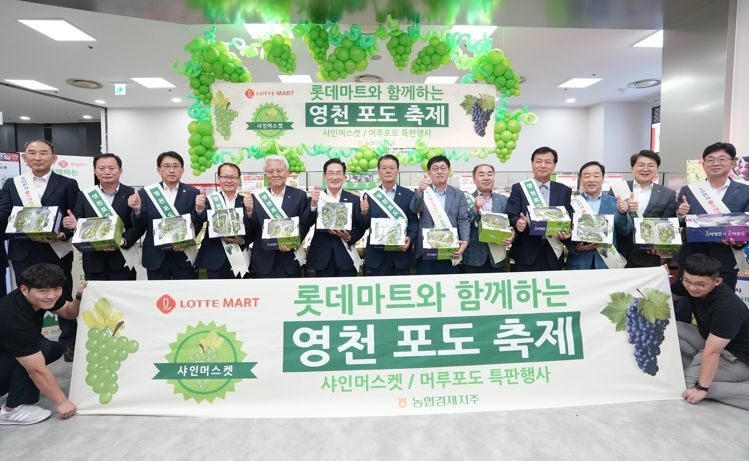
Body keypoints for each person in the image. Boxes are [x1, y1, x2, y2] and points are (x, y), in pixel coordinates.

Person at [1, 140, 79, 361]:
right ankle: (30, 342)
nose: (37, 157)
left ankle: (69, 343)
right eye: (32, 153)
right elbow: (4, 213)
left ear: (54, 158)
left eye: (43, 153)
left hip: (56, 250)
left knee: (62, 294)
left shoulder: (67, 183)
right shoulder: (13, 184)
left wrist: (63, 233)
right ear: (24, 157)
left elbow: (75, 216)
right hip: (23, 250)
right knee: (27, 298)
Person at [0, 264, 85, 425]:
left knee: (54, 348)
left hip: (5, 352)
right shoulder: (12, 316)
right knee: (39, 350)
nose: (51, 296)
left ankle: (14, 388)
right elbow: (36, 370)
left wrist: (79, 297)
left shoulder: (44, 296)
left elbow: (69, 312)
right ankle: (12, 410)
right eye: (43, 291)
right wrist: (62, 402)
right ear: (25, 289)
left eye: (57, 289)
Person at [675, 254, 749, 410]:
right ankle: (706, 370)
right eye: (687, 281)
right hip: (712, 341)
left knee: (688, 386)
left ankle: (733, 385)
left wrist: (702, 389)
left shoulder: (727, 308)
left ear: (717, 282)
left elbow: (712, 351)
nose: (692, 288)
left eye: (700, 285)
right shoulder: (690, 282)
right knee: (667, 330)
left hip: (739, 358)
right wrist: (659, 274)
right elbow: (664, 293)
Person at [675, 142, 749, 291]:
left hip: (725, 259)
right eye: (710, 159)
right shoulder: (689, 190)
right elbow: (677, 224)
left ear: (732, 163)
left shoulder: (745, 192)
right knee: (689, 301)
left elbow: (746, 226)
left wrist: (739, 241)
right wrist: (681, 215)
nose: (715, 163)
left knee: (722, 301)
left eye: (722, 159)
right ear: (703, 164)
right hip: (692, 259)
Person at [61, 154, 139, 281]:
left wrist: (123, 240)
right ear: (94, 171)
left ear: (120, 170)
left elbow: (139, 225)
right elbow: (78, 223)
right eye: (101, 168)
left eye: (111, 168)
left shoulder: (132, 194)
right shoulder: (85, 195)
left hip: (122, 259)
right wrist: (74, 226)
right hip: (93, 262)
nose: (106, 172)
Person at [130, 151, 200, 280]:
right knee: (158, 293)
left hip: (183, 255)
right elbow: (140, 226)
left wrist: (186, 241)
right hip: (155, 256)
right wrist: (137, 210)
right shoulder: (147, 193)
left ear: (182, 170)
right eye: (167, 166)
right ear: (159, 170)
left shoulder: (193, 193)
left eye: (175, 166)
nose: (171, 170)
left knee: (184, 292)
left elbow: (197, 222)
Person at [506, 146, 572, 272]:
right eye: (539, 161)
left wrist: (567, 232)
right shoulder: (519, 188)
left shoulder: (564, 190)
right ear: (532, 163)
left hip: (553, 252)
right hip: (525, 252)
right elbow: (511, 214)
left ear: (554, 165)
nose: (543, 165)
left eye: (548, 162)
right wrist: (517, 222)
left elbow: (568, 218)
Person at [246, 155, 310, 278]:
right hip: (262, 261)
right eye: (270, 171)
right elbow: (251, 228)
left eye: (279, 170)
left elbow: (304, 224)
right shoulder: (256, 197)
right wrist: (249, 212)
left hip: (290, 260)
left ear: (287, 172)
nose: (275, 174)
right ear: (266, 174)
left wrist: (293, 244)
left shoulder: (299, 195)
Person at [616, 150, 678, 268]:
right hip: (619, 255)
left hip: (649, 256)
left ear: (657, 169)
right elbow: (611, 220)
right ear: (632, 168)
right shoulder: (619, 188)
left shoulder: (667, 194)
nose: (645, 169)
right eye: (641, 165)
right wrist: (622, 211)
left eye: (650, 165)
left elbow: (667, 226)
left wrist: (665, 254)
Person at [410, 155, 470, 275]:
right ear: (429, 172)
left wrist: (465, 241)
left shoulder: (458, 195)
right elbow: (414, 210)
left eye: (443, 168)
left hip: (450, 249)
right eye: (435, 168)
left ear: (449, 171)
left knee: (449, 284)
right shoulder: (423, 191)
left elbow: (463, 219)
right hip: (426, 250)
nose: (439, 171)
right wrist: (420, 191)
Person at [360, 154, 418, 276]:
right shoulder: (370, 195)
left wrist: (410, 238)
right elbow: (364, 225)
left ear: (397, 171)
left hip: (401, 255)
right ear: (379, 172)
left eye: (391, 168)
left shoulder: (409, 195)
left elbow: (413, 222)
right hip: (377, 256)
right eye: (384, 168)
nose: (388, 171)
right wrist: (364, 213)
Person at [566, 161, 631, 270]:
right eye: (587, 176)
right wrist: (575, 247)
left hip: (606, 264)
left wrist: (623, 213)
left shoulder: (615, 202)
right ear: (581, 180)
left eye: (596, 176)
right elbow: (565, 233)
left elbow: (625, 231)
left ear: (603, 179)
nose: (591, 180)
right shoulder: (572, 203)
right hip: (579, 262)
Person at [306, 159, 365, 277]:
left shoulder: (354, 199)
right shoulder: (316, 198)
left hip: (346, 257)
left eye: (338, 173)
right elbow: (305, 222)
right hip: (320, 257)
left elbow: (361, 226)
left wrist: (349, 237)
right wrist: (313, 205)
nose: (334, 177)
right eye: (331, 173)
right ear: (324, 176)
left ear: (344, 177)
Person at [194, 163, 253, 279]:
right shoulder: (209, 200)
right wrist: (199, 208)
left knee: (240, 291)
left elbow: (254, 227)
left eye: (233, 177)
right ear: (219, 178)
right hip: (214, 259)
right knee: (215, 291)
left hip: (240, 258)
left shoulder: (247, 201)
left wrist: (243, 240)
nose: (229, 181)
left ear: (238, 180)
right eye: (225, 177)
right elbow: (198, 220)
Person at [462, 164, 515, 273]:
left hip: (497, 258)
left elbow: (512, 224)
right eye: (481, 175)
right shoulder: (465, 200)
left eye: (489, 174)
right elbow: (462, 224)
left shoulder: (504, 200)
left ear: (494, 177)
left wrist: (513, 235)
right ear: (474, 179)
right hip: (472, 258)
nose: (486, 178)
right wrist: (475, 208)